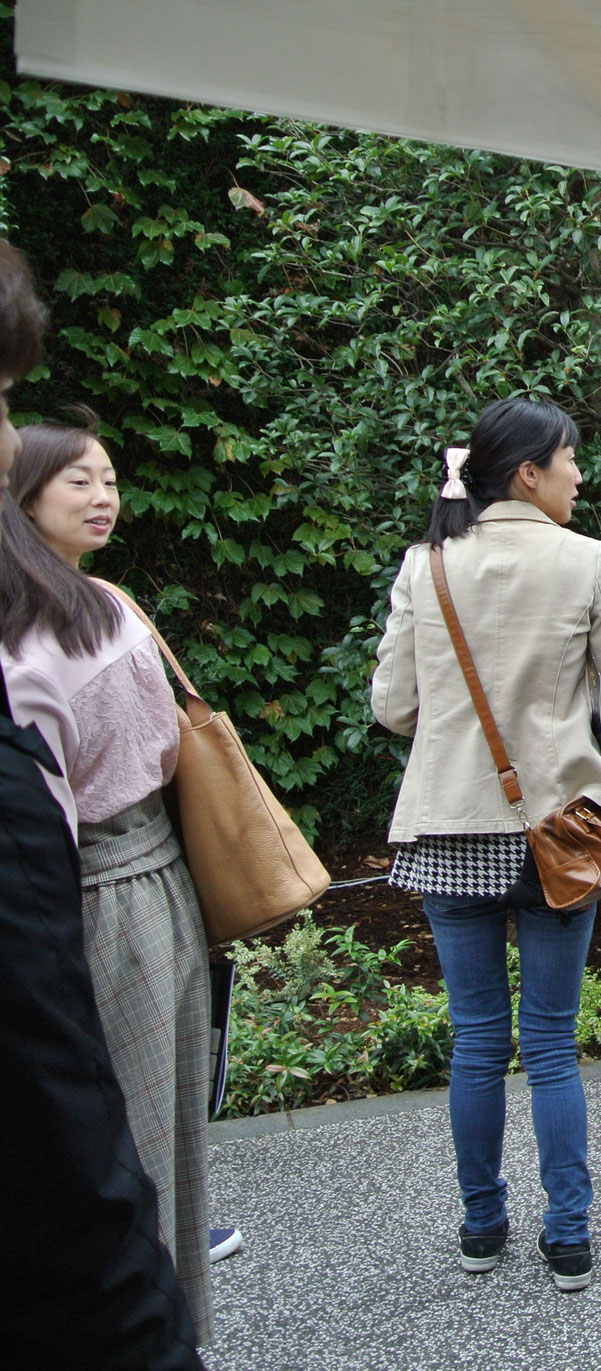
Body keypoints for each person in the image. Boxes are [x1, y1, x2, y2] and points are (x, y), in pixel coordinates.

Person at [371, 396, 601, 1292]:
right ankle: (569, 1237)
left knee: (475, 1042)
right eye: (571, 459)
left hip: (449, 829)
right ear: (529, 472)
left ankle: (480, 1227)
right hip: (563, 833)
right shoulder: (587, 560)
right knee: (549, 1045)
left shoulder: (425, 562)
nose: (581, 474)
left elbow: (390, 706)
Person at [0, 237, 202, 1369]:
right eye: (79, 476)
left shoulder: (96, 601)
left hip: (138, 877)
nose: (104, 494)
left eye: (112, 479)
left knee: (145, 1138)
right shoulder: (45, 618)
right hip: (100, 892)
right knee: (112, 1140)